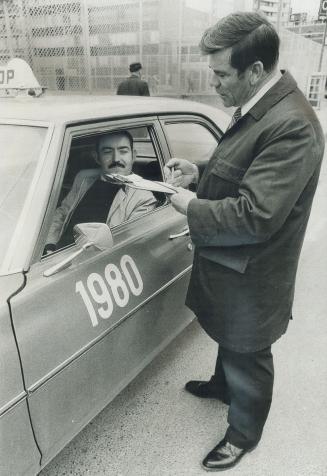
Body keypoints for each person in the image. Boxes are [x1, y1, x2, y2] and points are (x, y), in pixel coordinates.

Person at [165, 11, 324, 472]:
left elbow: (255, 214)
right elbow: (240, 169)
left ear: (254, 71)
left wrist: (189, 206)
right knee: (229, 336)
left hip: (255, 268)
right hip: (234, 263)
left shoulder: (291, 124)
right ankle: (222, 385)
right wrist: (199, 175)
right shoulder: (264, 104)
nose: (214, 83)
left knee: (249, 349)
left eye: (220, 74)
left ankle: (243, 433)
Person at [45, 131, 156, 252]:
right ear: (97, 157)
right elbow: (61, 213)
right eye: (107, 152)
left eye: (123, 151)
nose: (116, 159)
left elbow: (126, 244)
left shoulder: (144, 198)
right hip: (55, 254)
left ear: (133, 156)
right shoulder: (83, 178)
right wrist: (49, 245)